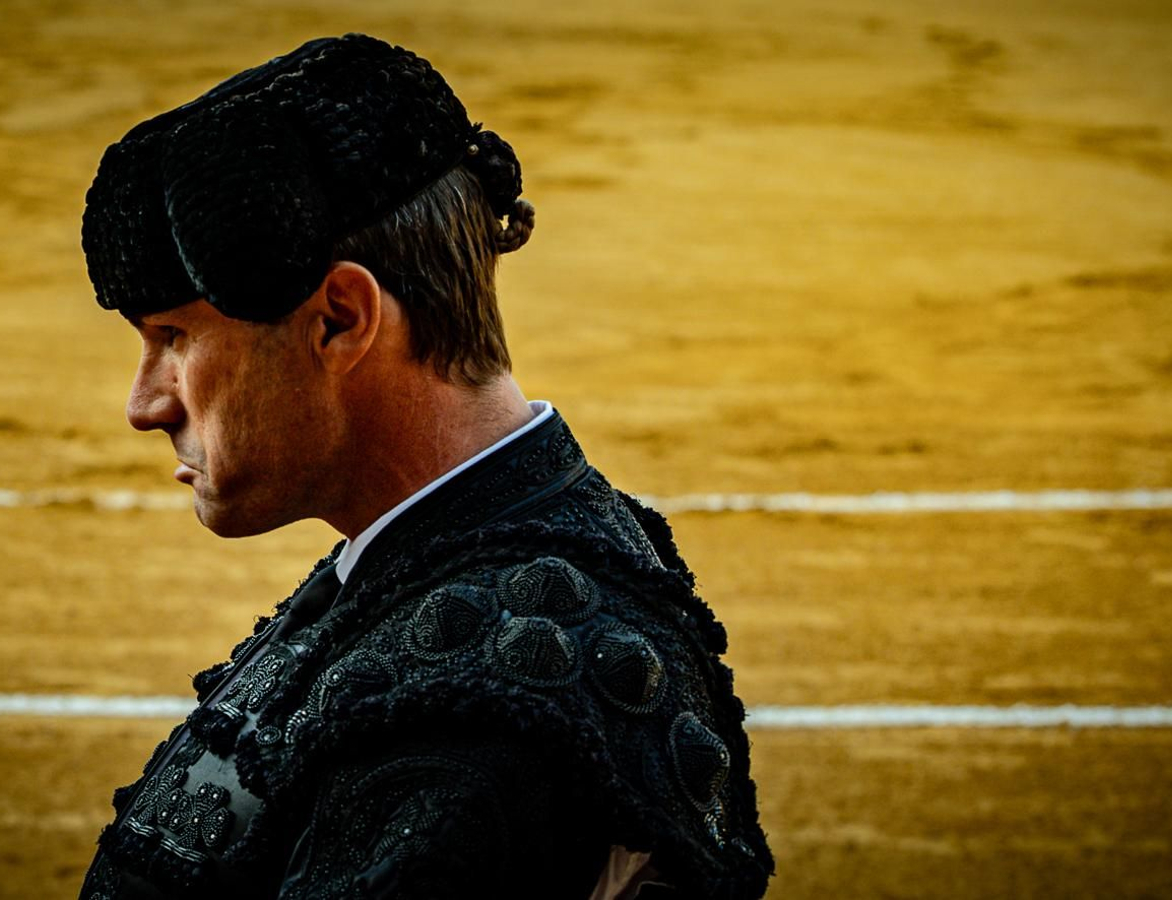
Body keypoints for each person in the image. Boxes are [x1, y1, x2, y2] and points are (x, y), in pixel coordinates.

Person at [77, 34, 773, 900]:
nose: (147, 404)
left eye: (175, 339)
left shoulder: (478, 719)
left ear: (339, 318)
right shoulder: (462, 559)